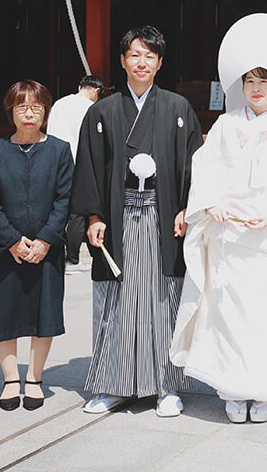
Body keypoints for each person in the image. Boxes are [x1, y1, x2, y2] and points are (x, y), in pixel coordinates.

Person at [170, 13, 267, 424]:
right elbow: (204, 170)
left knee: (266, 315)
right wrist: (210, 204)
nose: (256, 90)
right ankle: (232, 390)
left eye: (264, 82)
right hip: (227, 236)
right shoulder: (224, 125)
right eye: (249, 82)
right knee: (227, 314)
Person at [70, 25, 202, 417]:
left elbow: (194, 164)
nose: (141, 63)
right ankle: (114, 383)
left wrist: (185, 208)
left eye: (150, 56)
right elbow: (91, 167)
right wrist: (93, 215)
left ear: (160, 63)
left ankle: (167, 385)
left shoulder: (179, 109)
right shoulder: (102, 111)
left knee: (164, 300)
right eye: (134, 55)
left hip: (164, 220)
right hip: (117, 217)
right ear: (122, 60)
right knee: (117, 301)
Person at [0, 80, 73, 411]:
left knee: (42, 314)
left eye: (36, 106)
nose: (29, 113)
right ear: (11, 111)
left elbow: (64, 200)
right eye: (22, 106)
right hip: (7, 251)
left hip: (47, 250)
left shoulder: (60, 150)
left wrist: (47, 240)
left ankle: (33, 378)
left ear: (45, 110)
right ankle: (9, 380)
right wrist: (13, 241)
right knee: (5, 313)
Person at [47, 75, 104, 275]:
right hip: (77, 161)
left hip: (54, 159)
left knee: (57, 207)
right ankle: (72, 258)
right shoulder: (91, 108)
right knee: (77, 212)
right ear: (96, 92)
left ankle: (56, 255)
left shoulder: (59, 104)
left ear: (80, 86)